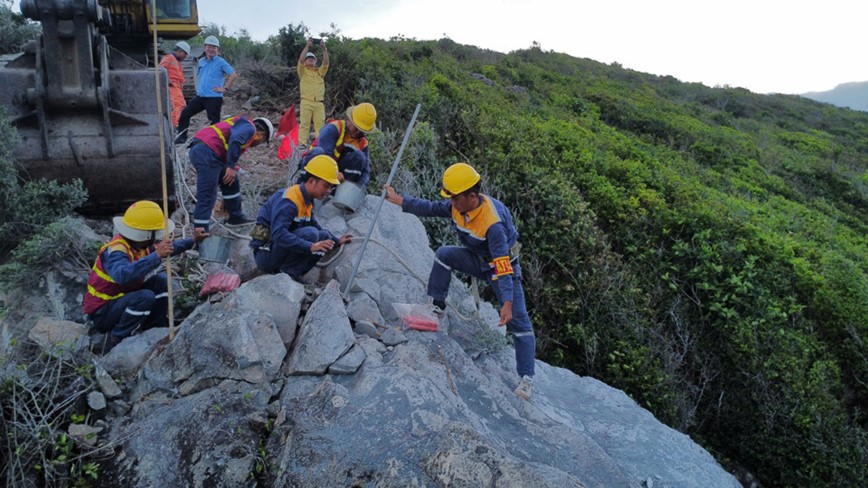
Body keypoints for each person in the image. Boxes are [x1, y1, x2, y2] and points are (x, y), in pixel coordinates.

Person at [384, 162, 536, 400]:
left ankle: (526, 379)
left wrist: (506, 302)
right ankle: (437, 306)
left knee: (519, 321)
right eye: (451, 198)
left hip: (500, 265)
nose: (451, 203)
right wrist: (400, 200)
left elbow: (503, 265)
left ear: (472, 196)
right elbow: (432, 208)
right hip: (478, 260)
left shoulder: (492, 224)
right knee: (444, 254)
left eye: (455, 198)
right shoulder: (459, 205)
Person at [83, 201, 207, 352]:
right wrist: (156, 256)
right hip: (103, 312)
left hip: (123, 300)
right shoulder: (116, 251)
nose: (157, 238)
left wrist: (192, 239)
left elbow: (168, 249)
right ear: (147, 234)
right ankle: (116, 339)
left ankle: (153, 329)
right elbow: (123, 275)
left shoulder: (139, 246)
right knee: (145, 296)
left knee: (161, 280)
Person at [250, 155, 352, 281]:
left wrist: (336, 241)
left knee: (324, 237)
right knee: (311, 234)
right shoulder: (289, 201)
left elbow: (314, 224)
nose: (328, 191)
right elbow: (278, 234)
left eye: (331, 187)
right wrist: (310, 246)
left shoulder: (307, 200)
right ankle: (286, 276)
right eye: (326, 185)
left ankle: (293, 275)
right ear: (312, 181)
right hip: (265, 254)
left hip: (277, 250)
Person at [188, 115, 274, 231]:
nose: (257, 145)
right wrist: (231, 167)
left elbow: (230, 144)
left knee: (231, 182)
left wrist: (231, 167)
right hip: (207, 152)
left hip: (211, 152)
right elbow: (236, 141)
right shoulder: (250, 129)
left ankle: (235, 217)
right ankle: (200, 232)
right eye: (262, 142)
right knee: (207, 195)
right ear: (261, 135)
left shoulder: (243, 125)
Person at [174, 35, 238, 144]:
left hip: (214, 97)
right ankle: (182, 137)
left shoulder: (221, 62)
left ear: (217, 49)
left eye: (214, 47)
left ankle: (216, 143)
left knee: (214, 122)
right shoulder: (201, 61)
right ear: (204, 48)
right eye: (209, 46)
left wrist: (225, 88)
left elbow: (233, 75)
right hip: (200, 97)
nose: (211, 49)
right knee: (185, 114)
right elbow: (199, 76)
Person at [298, 102, 377, 188]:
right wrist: (336, 174)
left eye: (362, 130)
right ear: (349, 120)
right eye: (356, 128)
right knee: (318, 152)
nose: (358, 132)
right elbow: (325, 157)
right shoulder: (334, 128)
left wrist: (360, 188)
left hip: (337, 171)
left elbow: (365, 171)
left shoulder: (362, 143)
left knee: (359, 157)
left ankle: (342, 192)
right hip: (317, 164)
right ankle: (304, 187)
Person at [297, 38, 329, 146]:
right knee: (304, 124)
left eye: (312, 58)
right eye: (308, 58)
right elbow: (300, 61)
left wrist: (324, 49)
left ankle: (320, 145)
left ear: (315, 61)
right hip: (306, 101)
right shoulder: (303, 71)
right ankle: (302, 145)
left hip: (319, 103)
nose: (310, 59)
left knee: (320, 126)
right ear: (306, 61)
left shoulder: (319, 72)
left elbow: (325, 63)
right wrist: (307, 46)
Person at [159, 41, 191, 129]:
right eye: (185, 54)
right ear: (180, 51)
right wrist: (167, 80)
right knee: (179, 105)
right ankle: (176, 125)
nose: (186, 56)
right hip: (172, 86)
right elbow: (160, 70)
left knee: (178, 106)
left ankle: (175, 124)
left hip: (177, 86)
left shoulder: (176, 61)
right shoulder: (169, 58)